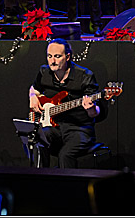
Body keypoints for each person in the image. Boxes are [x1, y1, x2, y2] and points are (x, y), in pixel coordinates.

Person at [28, 38, 105, 168]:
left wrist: (90, 109)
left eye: (57, 57)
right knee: (37, 141)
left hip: (79, 129)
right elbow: (34, 89)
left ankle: (67, 186)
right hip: (54, 128)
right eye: (49, 56)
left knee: (65, 154)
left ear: (67, 57)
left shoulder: (85, 76)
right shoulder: (44, 72)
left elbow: (96, 113)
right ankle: (40, 182)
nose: (52, 61)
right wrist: (32, 96)